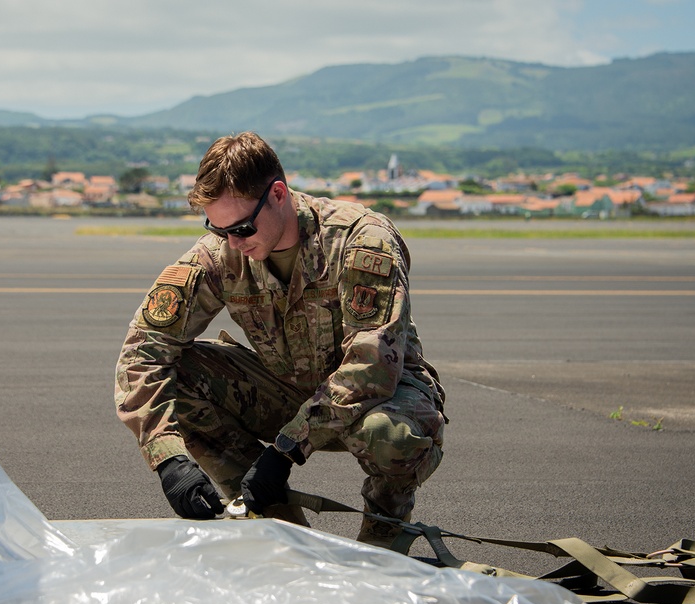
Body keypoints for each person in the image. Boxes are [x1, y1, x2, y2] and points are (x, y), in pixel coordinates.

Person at [113, 131, 447, 548]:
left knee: (391, 437)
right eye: (217, 229)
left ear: (277, 194)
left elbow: (371, 365)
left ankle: (384, 538)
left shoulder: (362, 240)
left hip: (382, 395)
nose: (233, 242)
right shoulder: (223, 252)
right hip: (287, 389)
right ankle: (274, 531)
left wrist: (285, 450)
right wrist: (168, 458)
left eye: (242, 227)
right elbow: (143, 350)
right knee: (178, 378)